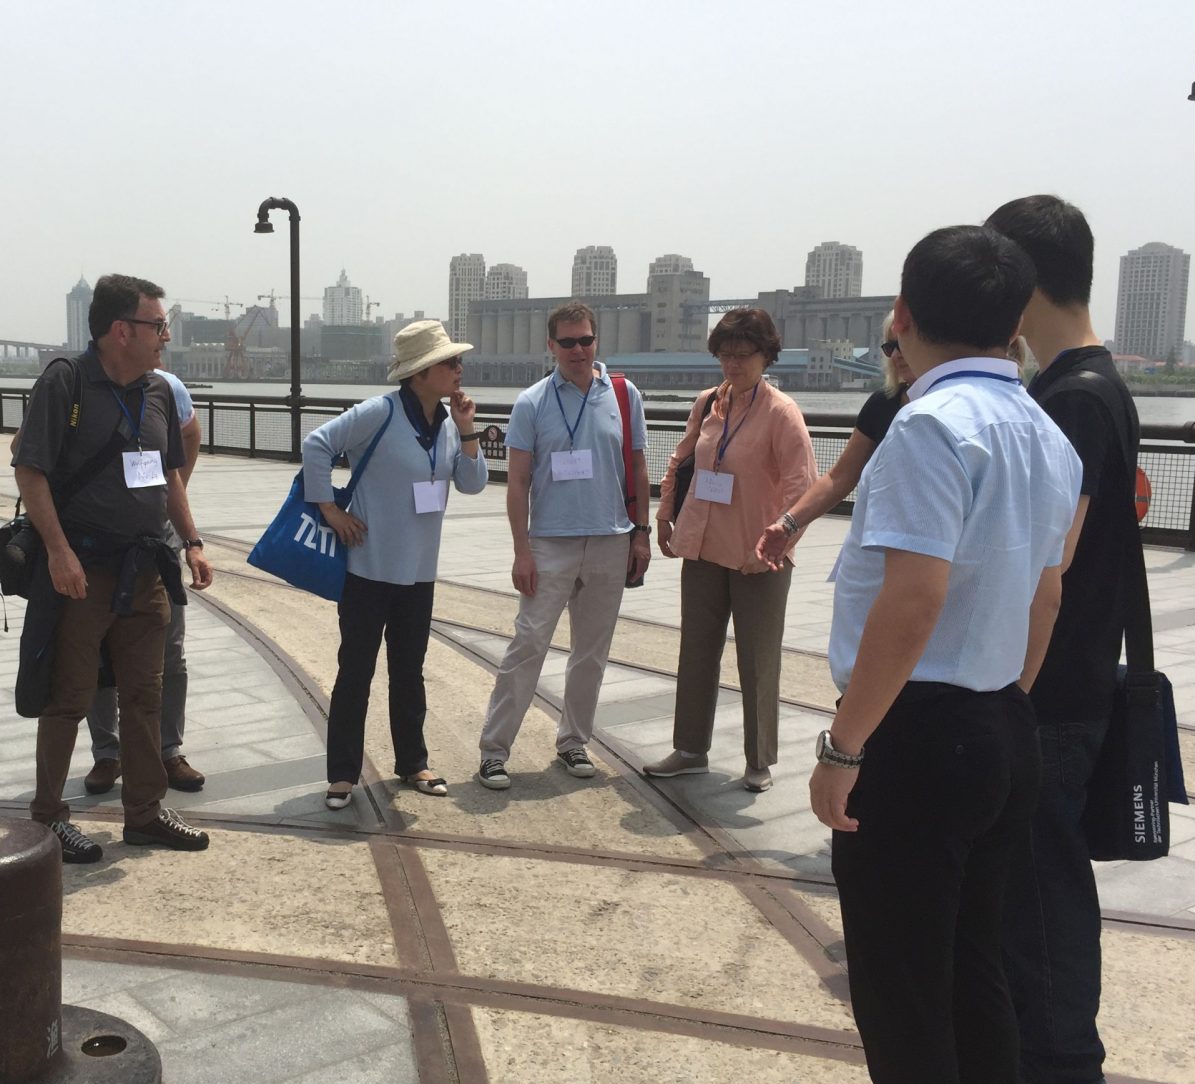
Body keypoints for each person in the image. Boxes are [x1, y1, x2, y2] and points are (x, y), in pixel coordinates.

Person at [810, 226, 1081, 1084]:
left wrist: (846, 744)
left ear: (902, 317)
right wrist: (1003, 704)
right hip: (1002, 721)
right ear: (1015, 324)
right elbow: (1047, 593)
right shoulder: (1048, 434)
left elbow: (912, 598)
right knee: (977, 976)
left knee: (906, 1003)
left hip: (915, 737)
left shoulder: (930, 428)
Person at [986, 195, 1142, 1084]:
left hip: (1051, 688)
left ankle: (1062, 1083)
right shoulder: (1094, 385)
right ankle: (1043, 1068)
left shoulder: (1073, 399)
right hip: (1069, 677)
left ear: (1024, 278)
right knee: (1036, 883)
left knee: (1044, 888)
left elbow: (1050, 556)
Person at [13, 274, 214, 863]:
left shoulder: (156, 391)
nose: (166, 337)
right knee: (68, 697)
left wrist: (194, 541)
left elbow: (170, 471)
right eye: (157, 325)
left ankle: (145, 814)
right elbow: (30, 470)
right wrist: (57, 551)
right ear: (120, 331)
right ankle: (49, 818)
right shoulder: (66, 382)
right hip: (84, 570)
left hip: (146, 565)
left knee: (145, 695)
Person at [302, 320, 487, 807]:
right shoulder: (378, 413)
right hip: (368, 568)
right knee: (355, 673)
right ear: (421, 372)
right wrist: (328, 508)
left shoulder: (448, 425)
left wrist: (468, 431)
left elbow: (472, 484)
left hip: (419, 572)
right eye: (449, 362)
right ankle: (342, 774)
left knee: (410, 672)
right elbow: (317, 444)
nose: (458, 368)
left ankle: (414, 763)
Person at [477, 301, 651, 789]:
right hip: (550, 543)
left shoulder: (623, 394)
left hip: (611, 539)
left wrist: (642, 532)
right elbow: (516, 484)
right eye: (568, 342)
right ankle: (494, 749)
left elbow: (637, 468)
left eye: (586, 340)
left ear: (597, 341)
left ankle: (574, 742)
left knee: (592, 652)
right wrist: (521, 549)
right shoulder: (531, 402)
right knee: (528, 643)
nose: (578, 350)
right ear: (550, 346)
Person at [642, 308, 816, 792]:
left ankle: (758, 760)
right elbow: (681, 460)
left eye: (743, 355)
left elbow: (803, 486)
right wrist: (664, 515)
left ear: (766, 356)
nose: (733, 364)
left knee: (758, 659)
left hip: (757, 553)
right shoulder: (707, 403)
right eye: (725, 354)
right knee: (696, 651)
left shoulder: (781, 412)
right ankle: (691, 749)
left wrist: (779, 543)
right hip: (702, 545)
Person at [84, 367, 205, 797]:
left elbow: (190, 436)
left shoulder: (169, 387)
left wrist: (181, 511)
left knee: (170, 651)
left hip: (158, 543)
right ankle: (107, 752)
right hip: (97, 546)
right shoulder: (78, 384)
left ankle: (168, 750)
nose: (164, 334)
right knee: (100, 655)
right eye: (155, 326)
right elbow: (25, 448)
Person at [755, 312, 913, 569]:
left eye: (904, 344)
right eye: (889, 347)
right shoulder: (882, 404)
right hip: (878, 544)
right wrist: (788, 524)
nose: (896, 355)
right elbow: (839, 477)